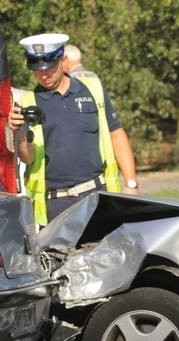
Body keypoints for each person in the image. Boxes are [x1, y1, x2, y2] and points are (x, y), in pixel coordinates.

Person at [8, 33, 139, 226]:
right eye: (36, 69)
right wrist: (18, 134)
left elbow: (116, 134)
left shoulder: (92, 89)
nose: (44, 74)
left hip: (97, 195)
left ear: (63, 60)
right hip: (55, 203)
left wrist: (131, 183)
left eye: (49, 67)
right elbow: (28, 158)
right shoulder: (27, 104)